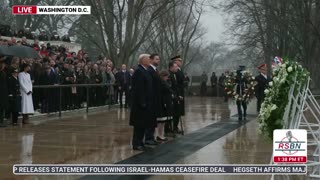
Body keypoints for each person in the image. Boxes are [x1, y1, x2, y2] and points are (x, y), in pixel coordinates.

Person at [129, 54, 154, 151]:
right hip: (140, 104)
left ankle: (140, 142)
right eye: (148, 59)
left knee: (143, 124)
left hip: (146, 102)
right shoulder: (139, 71)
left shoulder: (145, 70)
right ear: (143, 60)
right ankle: (136, 143)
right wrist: (142, 102)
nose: (150, 60)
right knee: (139, 125)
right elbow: (139, 89)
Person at [145, 54, 161, 145]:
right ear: (150, 60)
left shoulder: (155, 70)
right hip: (151, 99)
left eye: (158, 59)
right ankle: (148, 138)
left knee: (153, 119)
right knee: (150, 120)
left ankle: (151, 137)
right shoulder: (149, 70)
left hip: (155, 99)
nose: (158, 60)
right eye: (156, 59)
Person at [156, 70, 174, 141]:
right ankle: (159, 135)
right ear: (163, 76)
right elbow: (167, 89)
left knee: (163, 121)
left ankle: (161, 134)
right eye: (166, 76)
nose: (167, 78)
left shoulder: (165, 82)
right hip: (162, 102)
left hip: (165, 101)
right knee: (161, 121)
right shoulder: (161, 82)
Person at [171, 55, 185, 134]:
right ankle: (174, 127)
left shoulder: (180, 70)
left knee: (179, 111)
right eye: (179, 61)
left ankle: (176, 126)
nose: (181, 62)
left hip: (181, 92)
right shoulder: (175, 71)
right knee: (176, 111)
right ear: (175, 62)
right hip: (177, 93)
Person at [0, 59, 8, 127]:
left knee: (2, 107)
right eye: (3, 64)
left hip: (3, 92)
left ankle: (1, 121)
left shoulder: (3, 72)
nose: (4, 65)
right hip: (1, 92)